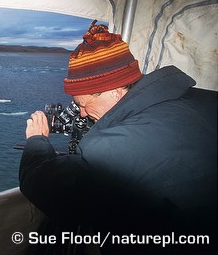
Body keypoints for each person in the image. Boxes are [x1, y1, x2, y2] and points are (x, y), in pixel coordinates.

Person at [19, 21, 217, 254]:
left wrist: (36, 141)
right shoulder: (206, 100)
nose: (81, 113)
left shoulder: (110, 147)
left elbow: (49, 190)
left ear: (114, 90)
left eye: (83, 104)